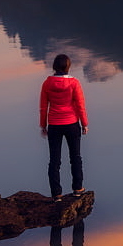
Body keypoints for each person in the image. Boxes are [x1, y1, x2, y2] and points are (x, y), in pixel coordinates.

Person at [39, 53, 88, 197]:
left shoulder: (47, 83)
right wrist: (84, 123)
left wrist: (43, 125)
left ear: (54, 66)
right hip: (72, 123)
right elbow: (80, 106)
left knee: (54, 160)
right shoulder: (74, 83)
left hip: (54, 124)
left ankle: (56, 194)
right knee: (76, 157)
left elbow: (43, 107)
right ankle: (77, 189)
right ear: (68, 67)